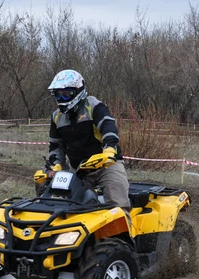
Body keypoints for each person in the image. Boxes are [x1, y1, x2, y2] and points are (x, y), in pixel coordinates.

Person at [34, 69, 130, 211]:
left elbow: (109, 128)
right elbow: (56, 146)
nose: (62, 99)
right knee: (68, 207)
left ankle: (124, 231)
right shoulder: (56, 117)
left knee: (118, 204)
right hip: (79, 169)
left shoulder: (94, 106)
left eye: (66, 94)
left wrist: (110, 149)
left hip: (106, 164)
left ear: (78, 91)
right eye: (58, 95)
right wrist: (55, 165)